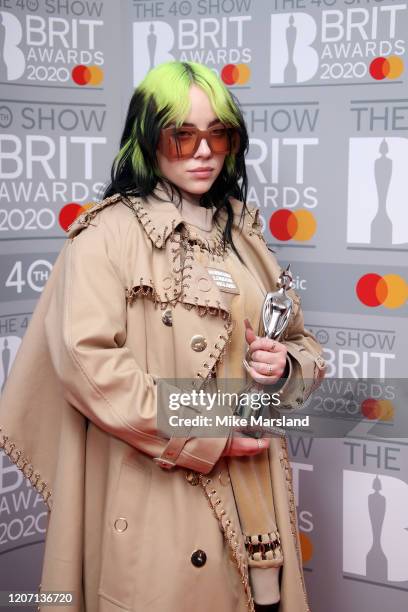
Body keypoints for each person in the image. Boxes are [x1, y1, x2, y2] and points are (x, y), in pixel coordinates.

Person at [0, 61, 325, 612]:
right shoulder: (105, 235)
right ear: (147, 139)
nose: (203, 151)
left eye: (217, 133)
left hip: (256, 496)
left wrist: (284, 366)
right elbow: (90, 368)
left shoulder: (243, 231)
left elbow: (300, 342)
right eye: (182, 134)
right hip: (161, 502)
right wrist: (211, 431)